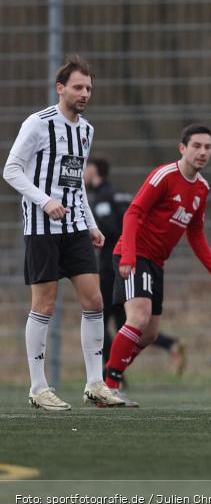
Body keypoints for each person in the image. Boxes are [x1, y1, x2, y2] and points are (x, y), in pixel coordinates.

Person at [3, 55, 125, 410]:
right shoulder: (38, 124)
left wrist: (91, 224)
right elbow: (11, 169)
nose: (85, 93)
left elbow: (76, 183)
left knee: (95, 301)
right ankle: (38, 387)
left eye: (89, 88)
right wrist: (44, 202)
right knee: (44, 304)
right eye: (78, 87)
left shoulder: (86, 130)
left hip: (75, 228)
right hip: (42, 227)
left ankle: (95, 384)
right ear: (61, 88)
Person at [103, 124, 211, 406]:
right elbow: (132, 213)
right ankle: (108, 387)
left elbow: (196, 234)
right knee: (138, 318)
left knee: (149, 334)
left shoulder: (202, 188)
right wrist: (128, 256)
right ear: (182, 148)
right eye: (196, 146)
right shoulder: (164, 176)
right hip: (134, 254)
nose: (202, 152)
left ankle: (107, 381)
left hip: (156, 263)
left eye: (208, 147)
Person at [84, 158, 187, 377]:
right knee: (130, 323)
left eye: (85, 168)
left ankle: (110, 373)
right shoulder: (122, 193)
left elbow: (113, 228)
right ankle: (167, 345)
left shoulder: (102, 197)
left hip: (116, 264)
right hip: (135, 260)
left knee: (98, 321)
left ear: (94, 170)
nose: (82, 174)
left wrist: (91, 233)